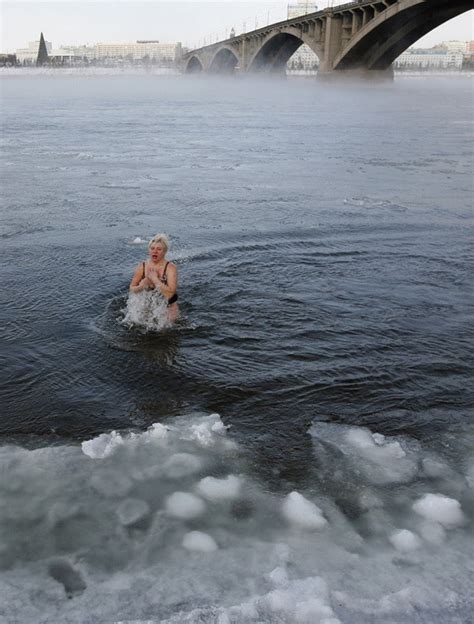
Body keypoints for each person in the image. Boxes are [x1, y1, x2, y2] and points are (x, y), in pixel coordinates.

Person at [129, 233, 179, 322]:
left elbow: (170, 294)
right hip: (148, 304)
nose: (154, 251)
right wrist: (141, 286)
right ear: (149, 250)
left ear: (164, 251)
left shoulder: (170, 268)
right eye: (152, 248)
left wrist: (155, 279)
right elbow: (132, 288)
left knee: (167, 331)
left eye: (159, 249)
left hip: (168, 306)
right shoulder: (142, 267)